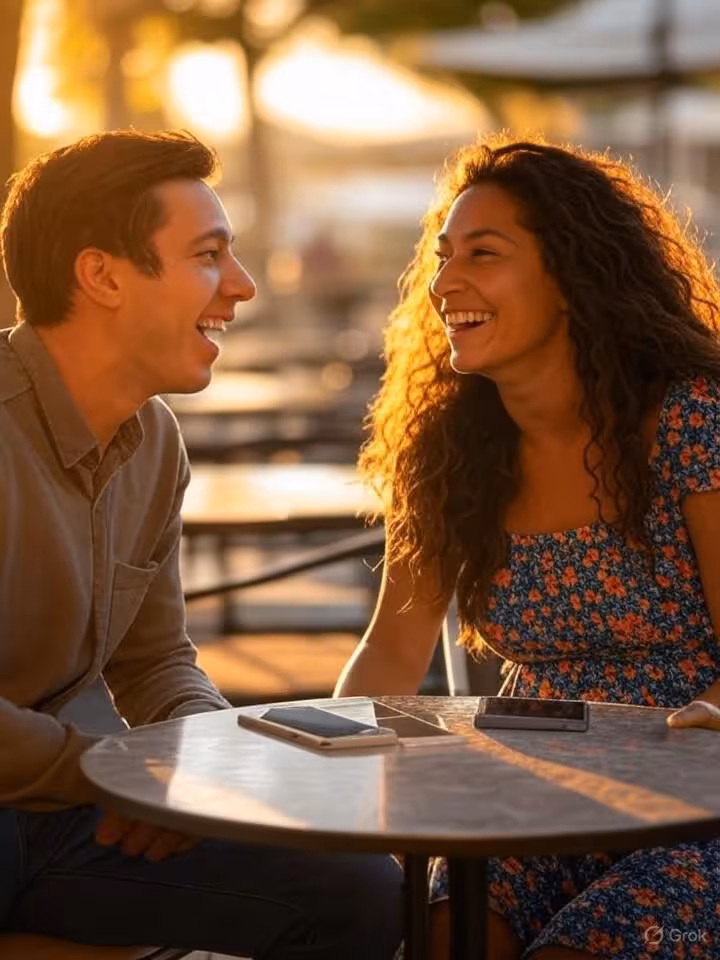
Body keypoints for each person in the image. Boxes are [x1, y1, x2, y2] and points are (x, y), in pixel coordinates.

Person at [0, 129, 403, 958]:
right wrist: (117, 775)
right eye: (210, 254)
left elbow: (155, 662)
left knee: (361, 892)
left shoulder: (154, 442)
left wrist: (200, 764)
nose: (244, 286)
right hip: (58, 795)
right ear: (102, 274)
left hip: (53, 813)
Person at [335, 133, 720, 960]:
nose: (445, 283)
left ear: (574, 276)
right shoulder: (447, 453)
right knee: (444, 937)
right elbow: (392, 649)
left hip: (702, 794)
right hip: (533, 789)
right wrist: (329, 756)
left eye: (484, 253)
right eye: (443, 256)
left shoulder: (691, 420)